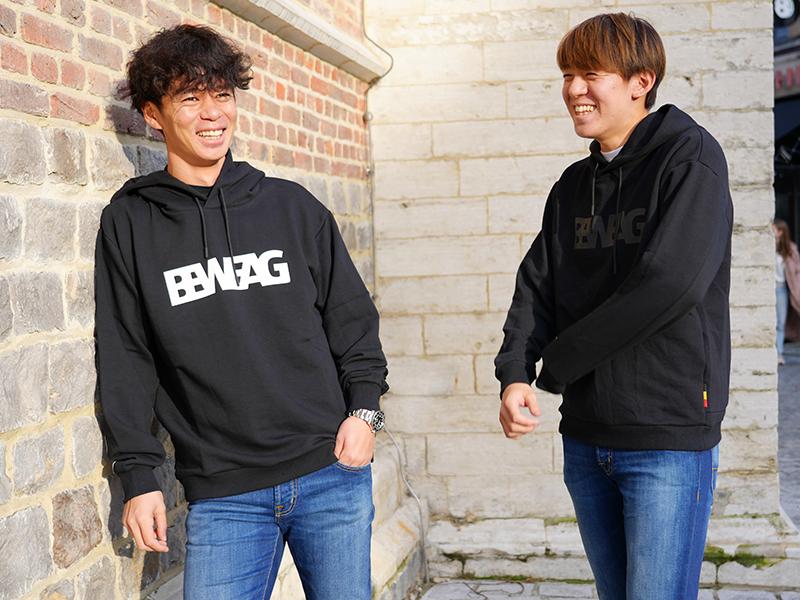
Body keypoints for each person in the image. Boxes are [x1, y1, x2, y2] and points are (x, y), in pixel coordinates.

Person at [95, 24, 388, 600]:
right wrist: (138, 475)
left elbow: (352, 321)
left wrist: (365, 412)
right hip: (224, 494)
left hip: (330, 471)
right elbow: (126, 352)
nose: (213, 113)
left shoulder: (291, 208)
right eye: (190, 98)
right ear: (153, 115)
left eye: (222, 94)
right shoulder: (131, 223)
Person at [494, 13, 732, 600]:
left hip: (665, 437)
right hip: (586, 438)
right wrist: (515, 372)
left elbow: (670, 284)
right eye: (566, 75)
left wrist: (557, 367)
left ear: (640, 81)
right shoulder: (573, 186)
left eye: (590, 74)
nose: (574, 90)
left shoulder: (690, 160)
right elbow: (537, 285)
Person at [773, 218, 800, 364]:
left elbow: (797, 270)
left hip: (781, 289)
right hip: (770, 288)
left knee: (780, 322)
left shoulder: (790, 249)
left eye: (774, 230)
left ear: (781, 232)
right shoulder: (768, 246)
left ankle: (779, 353)